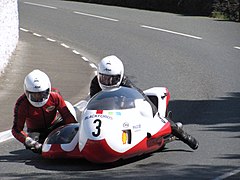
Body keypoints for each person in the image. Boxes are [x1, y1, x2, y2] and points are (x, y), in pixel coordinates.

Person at [89, 55, 198, 150]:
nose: (108, 82)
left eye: (113, 79)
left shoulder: (126, 84)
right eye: (104, 78)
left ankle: (185, 137)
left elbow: (142, 97)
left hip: (124, 111)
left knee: (160, 119)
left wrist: (155, 115)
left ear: (120, 76)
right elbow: (93, 103)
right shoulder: (95, 83)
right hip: (107, 113)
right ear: (98, 75)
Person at [12, 69, 77, 153]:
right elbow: (16, 129)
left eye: (42, 94)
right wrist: (27, 140)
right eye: (34, 95)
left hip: (56, 125)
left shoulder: (55, 95)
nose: (38, 98)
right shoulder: (21, 104)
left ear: (48, 90)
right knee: (37, 148)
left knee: (68, 137)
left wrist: (75, 131)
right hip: (36, 131)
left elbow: (66, 115)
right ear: (27, 92)